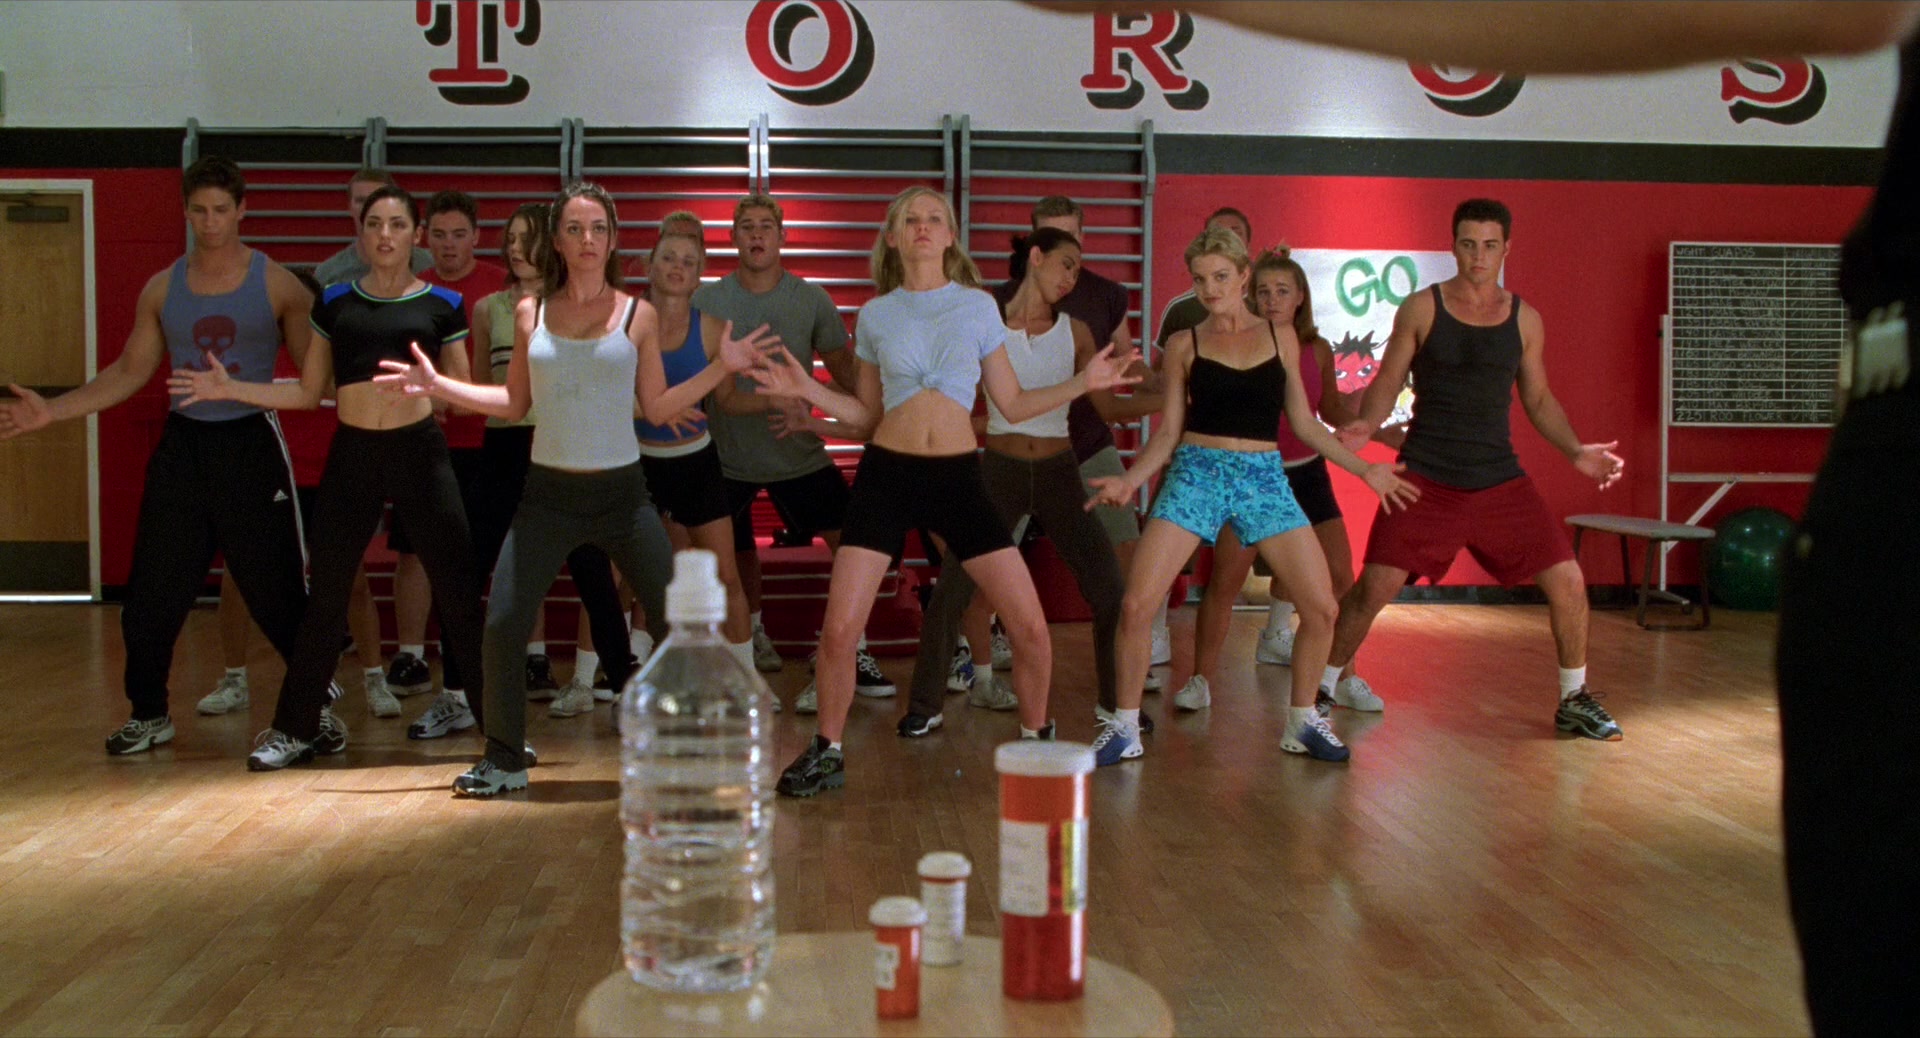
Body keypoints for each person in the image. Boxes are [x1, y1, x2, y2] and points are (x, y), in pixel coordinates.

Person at [748, 186, 1139, 797]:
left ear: (951, 236)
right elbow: (866, 415)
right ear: (895, 237)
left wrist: (1082, 382)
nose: (924, 227)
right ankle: (827, 750)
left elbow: (1012, 404)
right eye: (911, 219)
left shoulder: (978, 308)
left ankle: (1035, 744)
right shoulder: (876, 314)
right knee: (840, 631)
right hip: (886, 475)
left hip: (958, 478)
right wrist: (809, 391)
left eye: (935, 218)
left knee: (1030, 628)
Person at [376, 182, 761, 796]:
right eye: (575, 229)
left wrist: (723, 366)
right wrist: (437, 387)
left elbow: (658, 407)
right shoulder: (529, 312)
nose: (587, 239)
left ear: (612, 240)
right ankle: (505, 758)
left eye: (598, 229)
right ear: (557, 240)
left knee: (678, 623)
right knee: (503, 623)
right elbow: (513, 403)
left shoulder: (638, 315)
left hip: (623, 498)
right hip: (547, 498)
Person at [0, 156, 322, 756]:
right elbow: (129, 371)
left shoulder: (279, 285)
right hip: (184, 447)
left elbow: (313, 384)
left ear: (242, 209)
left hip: (250, 444)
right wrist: (53, 411)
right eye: (199, 210)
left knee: (278, 595)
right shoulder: (163, 287)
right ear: (186, 212)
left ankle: (313, 712)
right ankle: (149, 714)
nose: (210, 222)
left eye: (221, 210)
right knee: (152, 593)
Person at [169, 184, 487, 771]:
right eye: (375, 224)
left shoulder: (444, 303)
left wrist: (435, 386)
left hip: (420, 451)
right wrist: (231, 387)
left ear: (415, 236)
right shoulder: (336, 301)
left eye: (397, 224)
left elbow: (463, 396)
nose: (385, 235)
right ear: (361, 234)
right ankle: (296, 728)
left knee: (459, 590)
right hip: (354, 453)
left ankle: (502, 737)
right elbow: (306, 391)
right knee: (327, 596)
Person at [1084, 227, 1415, 766]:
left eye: (1221, 276)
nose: (1210, 289)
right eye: (1200, 279)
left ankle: (1302, 722)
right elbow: (1168, 433)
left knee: (1322, 606)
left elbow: (1304, 423)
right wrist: (1130, 478)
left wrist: (1364, 470)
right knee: (1137, 603)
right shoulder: (1184, 343)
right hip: (1196, 472)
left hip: (1263, 477)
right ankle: (1123, 727)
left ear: (1243, 276)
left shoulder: (1281, 337)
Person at [1312, 199, 1626, 739]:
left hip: (1499, 479)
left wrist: (1576, 451)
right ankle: (1319, 690)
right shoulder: (1422, 308)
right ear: (1453, 246)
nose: (1478, 256)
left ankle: (1574, 699)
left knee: (1570, 582)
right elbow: (1388, 381)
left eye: (1489, 246)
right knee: (1373, 589)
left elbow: (1539, 398)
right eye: (1468, 244)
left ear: (1506, 249)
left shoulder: (1525, 319)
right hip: (1426, 479)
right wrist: (1366, 423)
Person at [894, 227, 1129, 737]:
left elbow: (1109, 407)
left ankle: (1118, 707)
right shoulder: (986, 321)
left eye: (1078, 269)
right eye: (1066, 263)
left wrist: (1175, 396)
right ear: (1036, 257)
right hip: (999, 471)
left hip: (1059, 472)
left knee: (1109, 586)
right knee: (954, 586)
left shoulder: (1078, 331)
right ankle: (925, 705)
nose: (1072, 277)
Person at [694, 193, 894, 703]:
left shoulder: (812, 299)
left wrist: (882, 406)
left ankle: (851, 649)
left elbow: (845, 370)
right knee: (731, 554)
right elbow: (693, 380)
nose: (757, 235)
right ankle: (750, 638)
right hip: (727, 458)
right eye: (747, 226)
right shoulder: (709, 302)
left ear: (782, 237)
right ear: (733, 237)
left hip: (799, 452)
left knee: (854, 545)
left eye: (766, 226)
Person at [970, 195, 1168, 711]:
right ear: (1034, 247)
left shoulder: (1105, 294)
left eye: (1071, 236)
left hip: (1088, 444)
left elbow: (1125, 363)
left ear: (1082, 236)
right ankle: (981, 673)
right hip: (1017, 450)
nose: (1063, 252)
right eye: (1050, 234)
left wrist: (1167, 386)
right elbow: (987, 393)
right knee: (983, 566)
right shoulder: (996, 302)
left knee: (1123, 557)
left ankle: (1126, 671)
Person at [1187, 248, 1380, 712]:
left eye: (1282, 291)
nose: (1272, 300)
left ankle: (1343, 677)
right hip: (1255, 474)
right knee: (1226, 581)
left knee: (1340, 577)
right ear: (1250, 295)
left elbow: (1325, 410)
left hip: (1308, 473)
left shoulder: (1317, 349)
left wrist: (1371, 426)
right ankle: (1199, 680)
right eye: (1264, 291)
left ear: (1300, 298)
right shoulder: (1240, 341)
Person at [202, 269, 394, 720]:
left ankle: (374, 679)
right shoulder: (254, 364)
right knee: (237, 581)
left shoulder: (338, 358)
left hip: (331, 484)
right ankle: (234, 680)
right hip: (270, 486)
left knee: (353, 582)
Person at [386, 189, 519, 706]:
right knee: (414, 549)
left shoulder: (500, 289)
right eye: (438, 235)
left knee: (505, 551)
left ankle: (526, 657)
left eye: (459, 234)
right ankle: (411, 655)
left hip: (489, 443)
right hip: (422, 441)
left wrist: (459, 399)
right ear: (424, 238)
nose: (448, 244)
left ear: (476, 236)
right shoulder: (411, 288)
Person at [312, 167, 432, 286]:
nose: (368, 207)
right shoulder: (329, 275)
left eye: (376, 200)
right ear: (349, 207)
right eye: (361, 201)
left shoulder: (428, 265)